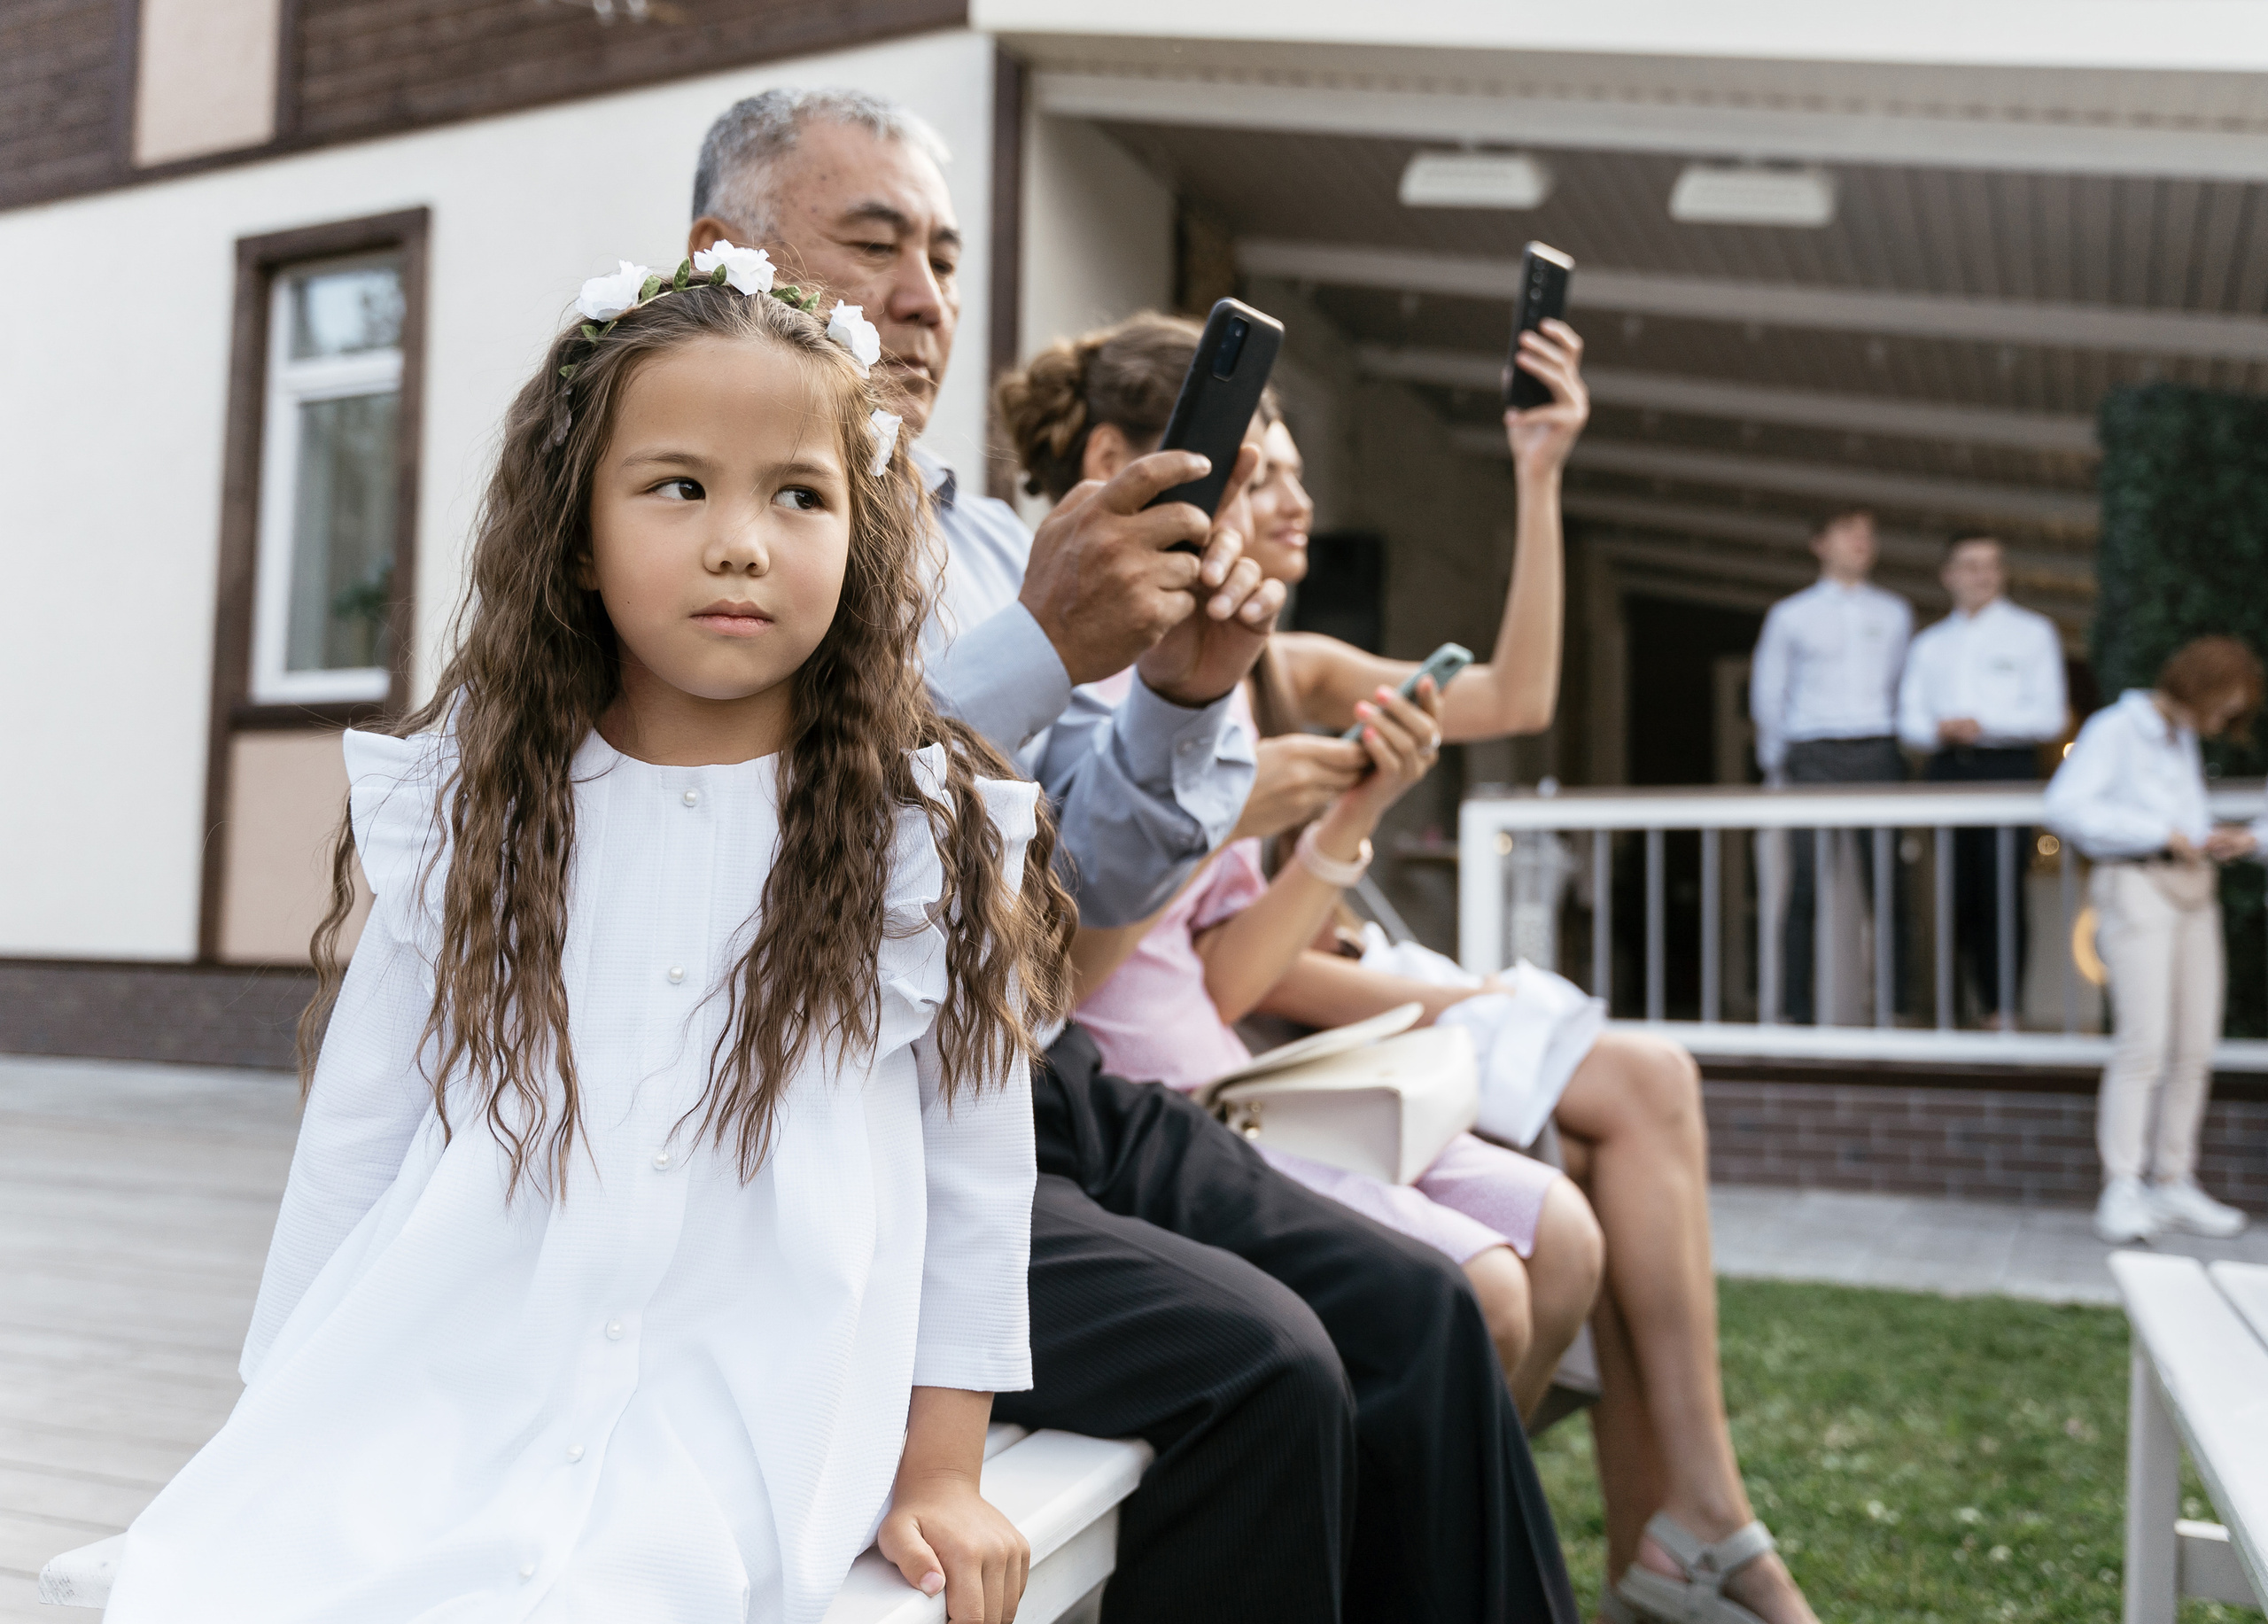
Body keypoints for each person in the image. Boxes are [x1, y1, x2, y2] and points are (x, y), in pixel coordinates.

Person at [688, 89, 1580, 1624]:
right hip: (849, 1111)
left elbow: (1083, 889)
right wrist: (1039, 649)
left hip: (1042, 1076)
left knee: (1425, 1306)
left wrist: (1184, 689)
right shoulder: (704, 525)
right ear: (727, 254)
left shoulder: (970, 545)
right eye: (878, 244)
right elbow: (777, 851)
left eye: (949, 259)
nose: (926, 298)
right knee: (1274, 1364)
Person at [107, 268, 1068, 1623]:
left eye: (799, 495)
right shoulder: (472, 806)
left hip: (741, 1414)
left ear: (864, 536)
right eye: (679, 487)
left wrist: (944, 1470)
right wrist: (278, 1412)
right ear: (575, 536)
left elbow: (979, 1178)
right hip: (451, 1387)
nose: (742, 540)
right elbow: (355, 1142)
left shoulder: (929, 834)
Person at [1001, 314, 1821, 1624]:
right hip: (1185, 1087)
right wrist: (1317, 857)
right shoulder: (1063, 680)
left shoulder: (1254, 663)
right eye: (1254, 470)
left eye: (1284, 472)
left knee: (1556, 1226)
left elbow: (1514, 695)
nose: (1286, 502)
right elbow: (1147, 971)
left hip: (1234, 1064)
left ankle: (1624, 1532)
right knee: (1484, 1280)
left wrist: (1540, 470)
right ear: (1114, 459)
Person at [2045, 635, 2266, 1246]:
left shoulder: (2183, 738)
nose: (2227, 719)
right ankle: (2122, 1184)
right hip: (2136, 886)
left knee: (2194, 1044)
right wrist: (2158, 831)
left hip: (2192, 890)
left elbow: (2180, 814)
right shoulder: (2116, 727)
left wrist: (2208, 836)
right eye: (2226, 703)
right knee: (2144, 1042)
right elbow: (2064, 807)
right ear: (2199, 685)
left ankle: (2173, 1177)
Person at [1749, 510, 1915, 1024]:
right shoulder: (1791, 616)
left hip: (1877, 748)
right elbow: (1768, 692)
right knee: (1803, 887)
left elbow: (1901, 686)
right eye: (1849, 533)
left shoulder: (1894, 613)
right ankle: (1794, 1009)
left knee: (1888, 884)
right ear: (1820, 543)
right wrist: (1781, 761)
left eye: (1869, 533)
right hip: (1812, 752)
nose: (1861, 542)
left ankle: (1897, 1005)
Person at [1897, 535, 2068, 1028]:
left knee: (2002, 889)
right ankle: (1953, 1008)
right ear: (1948, 574)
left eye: (1991, 566)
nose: (1982, 576)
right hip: (1946, 769)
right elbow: (1908, 718)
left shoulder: (2033, 633)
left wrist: (1982, 722)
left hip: (2006, 767)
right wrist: (1939, 729)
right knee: (1952, 893)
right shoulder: (1930, 644)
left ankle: (2003, 1007)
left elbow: (2049, 716)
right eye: (1970, 566)